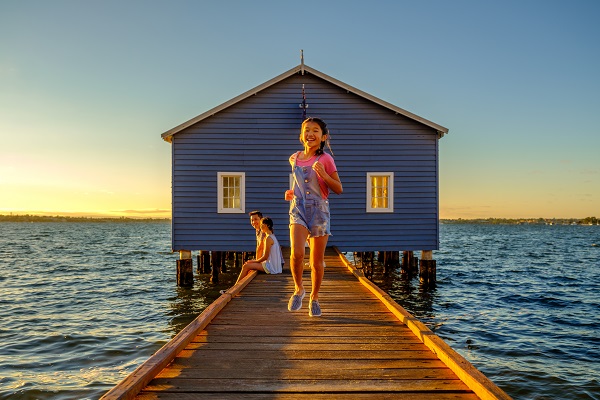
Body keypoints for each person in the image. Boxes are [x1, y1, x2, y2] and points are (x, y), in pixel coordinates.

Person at [285, 117, 343, 317]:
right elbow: (297, 184)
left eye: (315, 130)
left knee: (316, 262)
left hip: (319, 210)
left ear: (323, 137)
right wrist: (291, 193)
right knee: (297, 254)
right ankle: (299, 289)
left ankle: (314, 297)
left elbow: (338, 188)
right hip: (298, 209)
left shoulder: (326, 159)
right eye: (307, 130)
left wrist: (324, 175)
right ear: (301, 135)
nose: (310, 133)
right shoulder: (294, 158)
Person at [232, 216, 283, 285]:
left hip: (271, 267)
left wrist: (254, 261)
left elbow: (265, 256)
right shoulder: (272, 236)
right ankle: (239, 284)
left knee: (246, 266)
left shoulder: (268, 238)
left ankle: (235, 286)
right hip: (275, 266)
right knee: (249, 265)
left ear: (266, 225)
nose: (260, 227)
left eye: (261, 224)